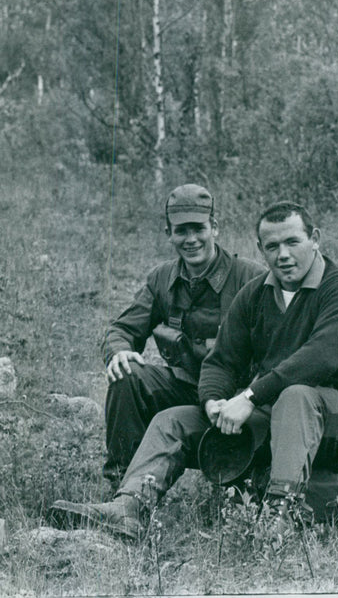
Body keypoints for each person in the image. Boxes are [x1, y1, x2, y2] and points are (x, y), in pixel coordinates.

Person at [51, 202, 338, 544]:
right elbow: (221, 361)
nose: (283, 255)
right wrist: (213, 402)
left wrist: (249, 397)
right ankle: (130, 506)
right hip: (277, 413)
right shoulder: (255, 294)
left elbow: (317, 360)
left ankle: (279, 517)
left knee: (296, 396)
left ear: (315, 239)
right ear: (260, 249)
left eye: (292, 242)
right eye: (272, 246)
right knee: (172, 419)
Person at [101, 184, 265, 483]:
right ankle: (123, 485)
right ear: (168, 233)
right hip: (188, 387)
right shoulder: (162, 278)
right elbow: (122, 329)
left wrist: (248, 396)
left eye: (198, 229)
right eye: (181, 231)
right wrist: (119, 350)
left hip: (240, 398)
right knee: (127, 375)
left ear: (214, 227)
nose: (191, 240)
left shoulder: (251, 278)